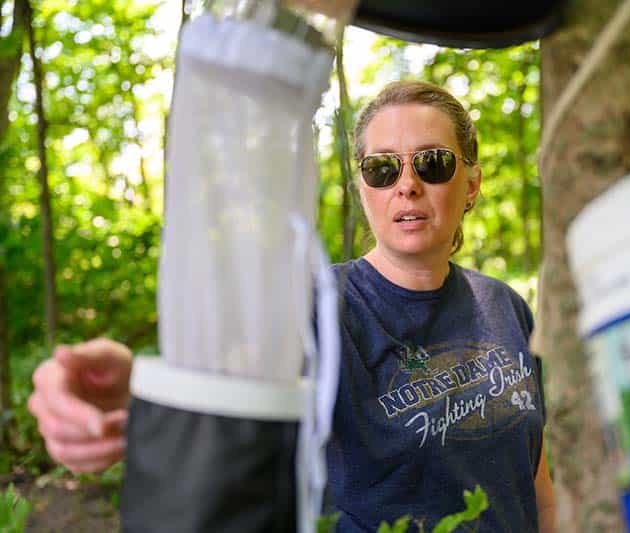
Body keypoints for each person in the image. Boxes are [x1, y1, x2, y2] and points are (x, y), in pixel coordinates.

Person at [27, 80, 556, 532]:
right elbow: (230, 390)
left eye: (433, 163)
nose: (408, 185)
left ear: (471, 184)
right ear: (362, 189)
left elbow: (533, 476)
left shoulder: (505, 306)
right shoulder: (315, 308)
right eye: (382, 169)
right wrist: (143, 395)